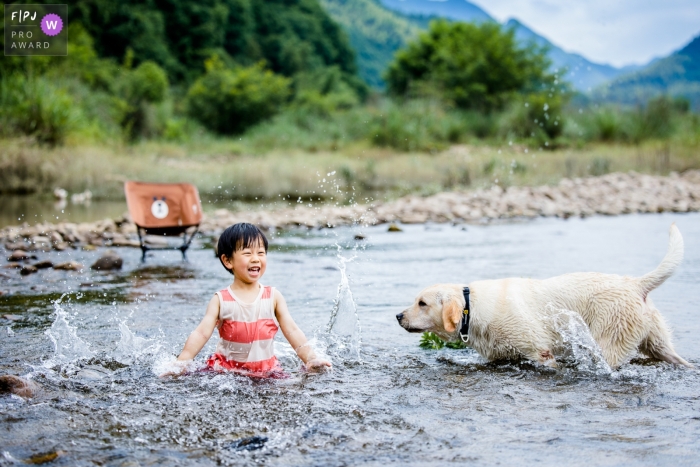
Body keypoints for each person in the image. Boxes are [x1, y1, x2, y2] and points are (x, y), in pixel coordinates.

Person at [165, 222, 331, 377]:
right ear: (228, 260)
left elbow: (292, 331)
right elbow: (201, 333)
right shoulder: (221, 299)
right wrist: (182, 362)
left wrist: (310, 358)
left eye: (260, 253)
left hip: (267, 371)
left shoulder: (273, 296)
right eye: (247, 253)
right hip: (228, 373)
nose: (255, 258)